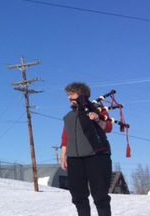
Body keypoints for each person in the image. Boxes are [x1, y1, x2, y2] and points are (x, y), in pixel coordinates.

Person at [61, 82, 113, 216]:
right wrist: (63, 155)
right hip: (74, 159)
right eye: (68, 95)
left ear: (81, 94)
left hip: (96, 156)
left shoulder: (97, 108)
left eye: (71, 94)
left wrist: (97, 119)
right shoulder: (69, 116)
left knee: (100, 196)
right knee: (78, 196)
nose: (68, 97)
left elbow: (108, 127)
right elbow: (65, 136)